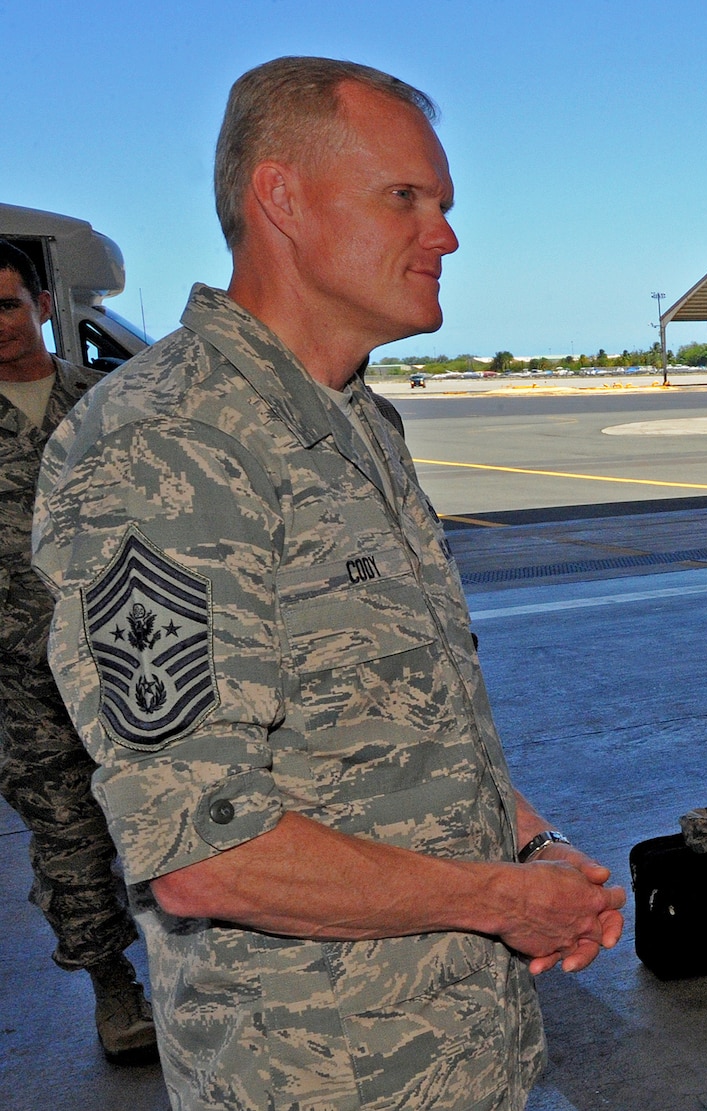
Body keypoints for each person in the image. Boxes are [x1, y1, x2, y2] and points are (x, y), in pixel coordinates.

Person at [32, 57, 624, 1110]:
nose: (444, 235)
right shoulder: (169, 446)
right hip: (320, 1069)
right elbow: (209, 855)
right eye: (406, 197)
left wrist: (534, 844)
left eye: (443, 204)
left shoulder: (355, 424)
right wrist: (504, 899)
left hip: (456, 1046)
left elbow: (399, 725)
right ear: (281, 199)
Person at [0, 240, 156, 1063]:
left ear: (43, 307)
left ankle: (187, 969)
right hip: (23, 680)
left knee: (166, 810)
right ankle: (113, 989)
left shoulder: (108, 401)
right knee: (68, 834)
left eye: (5, 305)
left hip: (131, 661)